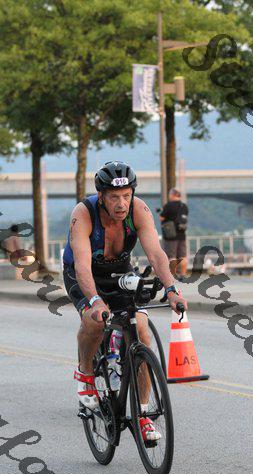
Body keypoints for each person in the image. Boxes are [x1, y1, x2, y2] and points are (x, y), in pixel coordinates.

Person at [62, 161, 187, 442]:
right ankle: (85, 373)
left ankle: (142, 415)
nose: (121, 203)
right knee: (95, 321)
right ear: (101, 196)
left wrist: (172, 289)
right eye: (114, 197)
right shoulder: (83, 213)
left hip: (119, 271)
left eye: (126, 196)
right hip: (84, 273)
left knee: (141, 331)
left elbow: (156, 254)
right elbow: (81, 266)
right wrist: (95, 301)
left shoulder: (139, 211)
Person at [160, 188, 189, 281]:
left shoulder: (169, 205)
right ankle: (183, 275)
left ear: (172, 195)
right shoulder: (184, 206)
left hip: (171, 235)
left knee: (171, 256)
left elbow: (161, 218)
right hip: (182, 234)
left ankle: (172, 275)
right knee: (183, 255)